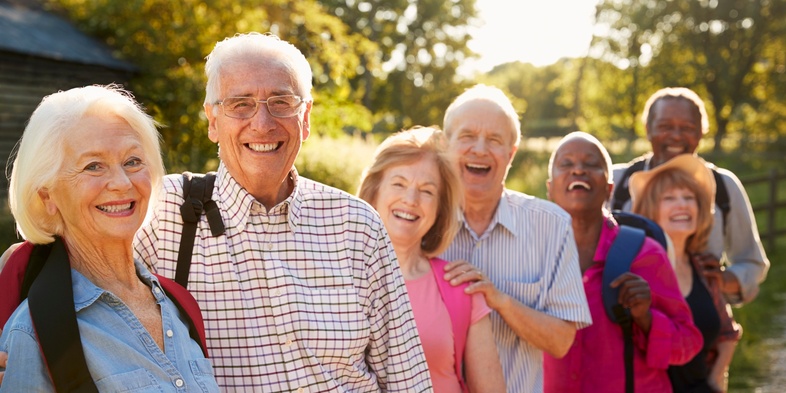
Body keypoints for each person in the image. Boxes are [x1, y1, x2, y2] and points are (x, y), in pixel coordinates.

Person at [131, 32, 431, 391]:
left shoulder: (358, 226)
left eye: (281, 101)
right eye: (240, 103)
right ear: (213, 121)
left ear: (305, 118)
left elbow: (407, 379)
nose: (262, 123)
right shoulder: (158, 216)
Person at [0, 85, 219, 392]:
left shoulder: (179, 306)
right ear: (47, 196)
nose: (121, 183)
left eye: (132, 161)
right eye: (93, 166)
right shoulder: (34, 333)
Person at [438, 84, 592, 393]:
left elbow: (562, 341)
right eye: (467, 136)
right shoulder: (420, 222)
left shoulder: (551, 225)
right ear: (446, 145)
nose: (480, 149)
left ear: (511, 154)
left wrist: (502, 302)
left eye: (494, 140)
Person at [541, 131, 702, 392]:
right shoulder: (532, 255)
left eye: (591, 164)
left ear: (609, 188)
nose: (578, 170)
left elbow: (688, 344)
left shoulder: (644, 253)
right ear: (550, 188)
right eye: (566, 164)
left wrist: (645, 317)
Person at [357, 126, 505, 393]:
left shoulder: (459, 287)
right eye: (399, 184)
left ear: (439, 209)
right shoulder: (332, 274)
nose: (411, 199)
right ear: (374, 192)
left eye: (427, 191)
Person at [610, 87, 769, 306]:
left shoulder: (724, 186)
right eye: (665, 126)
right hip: (627, 324)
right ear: (648, 130)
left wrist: (721, 281)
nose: (676, 135)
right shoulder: (615, 182)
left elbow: (752, 262)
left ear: (701, 132)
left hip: (704, 327)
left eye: (687, 127)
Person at [630, 154, 742, 392]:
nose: (682, 204)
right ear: (651, 210)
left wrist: (716, 379)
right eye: (669, 198)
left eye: (689, 197)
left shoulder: (703, 267)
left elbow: (727, 333)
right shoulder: (635, 269)